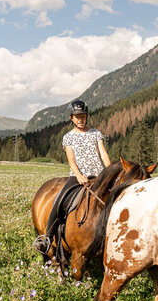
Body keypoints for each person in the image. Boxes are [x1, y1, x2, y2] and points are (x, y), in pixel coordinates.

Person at [34, 100, 111, 260]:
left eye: (82, 116)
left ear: (86, 116)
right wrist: (78, 175)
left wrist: (109, 171)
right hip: (78, 177)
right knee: (61, 199)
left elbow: (102, 153)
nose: (80, 119)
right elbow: (71, 158)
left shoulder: (96, 133)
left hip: (98, 176)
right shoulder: (68, 137)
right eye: (77, 117)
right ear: (71, 118)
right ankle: (47, 237)